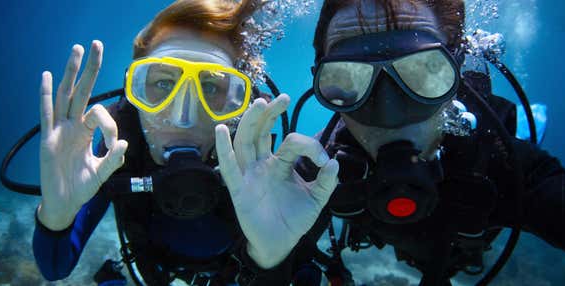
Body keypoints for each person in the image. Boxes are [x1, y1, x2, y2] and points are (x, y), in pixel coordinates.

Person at [296, 0, 565, 285]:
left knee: (518, 133)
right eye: (345, 78)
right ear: (322, 82)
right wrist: (260, 258)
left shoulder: (497, 161)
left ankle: (528, 126)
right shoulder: (319, 165)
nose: (389, 114)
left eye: (424, 71)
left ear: (456, 67)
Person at [33, 0, 339, 285]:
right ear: (134, 94)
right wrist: (56, 216)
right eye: (163, 84)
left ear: (240, 106)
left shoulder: (257, 153)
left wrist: (271, 259)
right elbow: (55, 268)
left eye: (211, 88)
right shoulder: (118, 148)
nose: (184, 118)